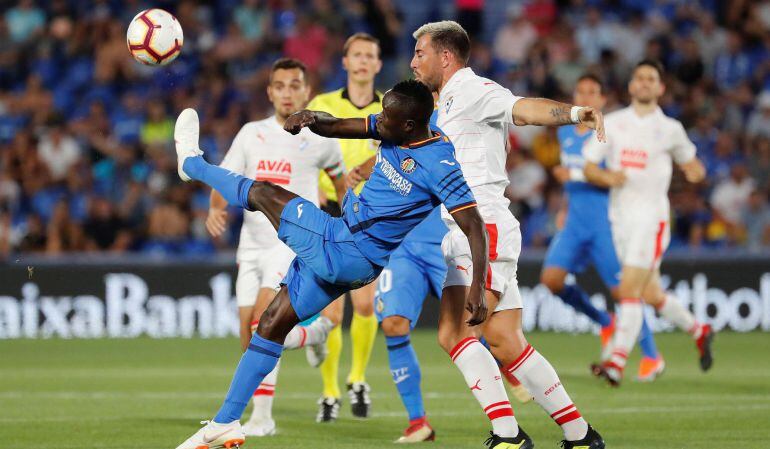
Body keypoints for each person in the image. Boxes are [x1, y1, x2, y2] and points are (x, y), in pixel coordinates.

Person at [173, 79, 487, 449]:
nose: (378, 118)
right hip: (349, 251)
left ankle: (192, 164)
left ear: (408, 124)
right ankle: (225, 423)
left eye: (386, 115)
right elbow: (341, 126)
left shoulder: (441, 163)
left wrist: (478, 287)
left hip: (345, 246)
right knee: (272, 325)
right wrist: (310, 118)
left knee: (263, 193)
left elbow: (475, 226)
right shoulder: (395, 126)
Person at [410, 21, 605, 449]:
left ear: (445, 57)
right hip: (471, 226)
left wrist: (574, 113)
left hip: (483, 227)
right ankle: (580, 435)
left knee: (455, 333)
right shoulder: (444, 105)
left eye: (420, 53)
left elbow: (523, 108)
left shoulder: (473, 89)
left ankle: (508, 436)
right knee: (505, 340)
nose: (413, 61)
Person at [204, 58, 346, 436]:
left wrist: (346, 216)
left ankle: (262, 419)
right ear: (269, 92)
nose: (287, 92)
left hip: (291, 244)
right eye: (279, 85)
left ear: (306, 90)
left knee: (263, 321)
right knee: (248, 337)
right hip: (251, 245)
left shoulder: (320, 137)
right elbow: (226, 178)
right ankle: (316, 334)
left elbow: (339, 180)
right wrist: (216, 210)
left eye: (294, 85)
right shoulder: (252, 133)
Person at [583, 59, 713, 387]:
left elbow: (694, 166)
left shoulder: (670, 129)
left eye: (651, 78)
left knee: (628, 289)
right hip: (620, 221)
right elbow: (589, 166)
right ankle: (699, 330)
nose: (644, 83)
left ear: (660, 88)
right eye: (639, 77)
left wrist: (696, 172)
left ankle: (616, 361)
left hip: (651, 220)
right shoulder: (613, 123)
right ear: (630, 86)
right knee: (652, 293)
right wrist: (608, 176)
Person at [541, 73, 664, 381]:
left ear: (602, 100)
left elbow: (618, 179)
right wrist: (565, 208)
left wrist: (575, 176)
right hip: (574, 224)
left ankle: (651, 356)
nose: (585, 97)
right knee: (551, 280)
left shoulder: (614, 134)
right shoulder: (565, 133)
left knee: (625, 291)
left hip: (604, 224)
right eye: (580, 91)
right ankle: (604, 321)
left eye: (592, 92)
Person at [307, 32, 384, 421]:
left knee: (366, 303)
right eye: (357, 54)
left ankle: (357, 379)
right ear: (345, 61)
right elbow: (304, 152)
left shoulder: (390, 108)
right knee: (333, 312)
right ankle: (329, 391)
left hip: (371, 216)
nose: (363, 61)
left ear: (378, 64)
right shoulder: (322, 106)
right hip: (332, 213)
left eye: (370, 55)